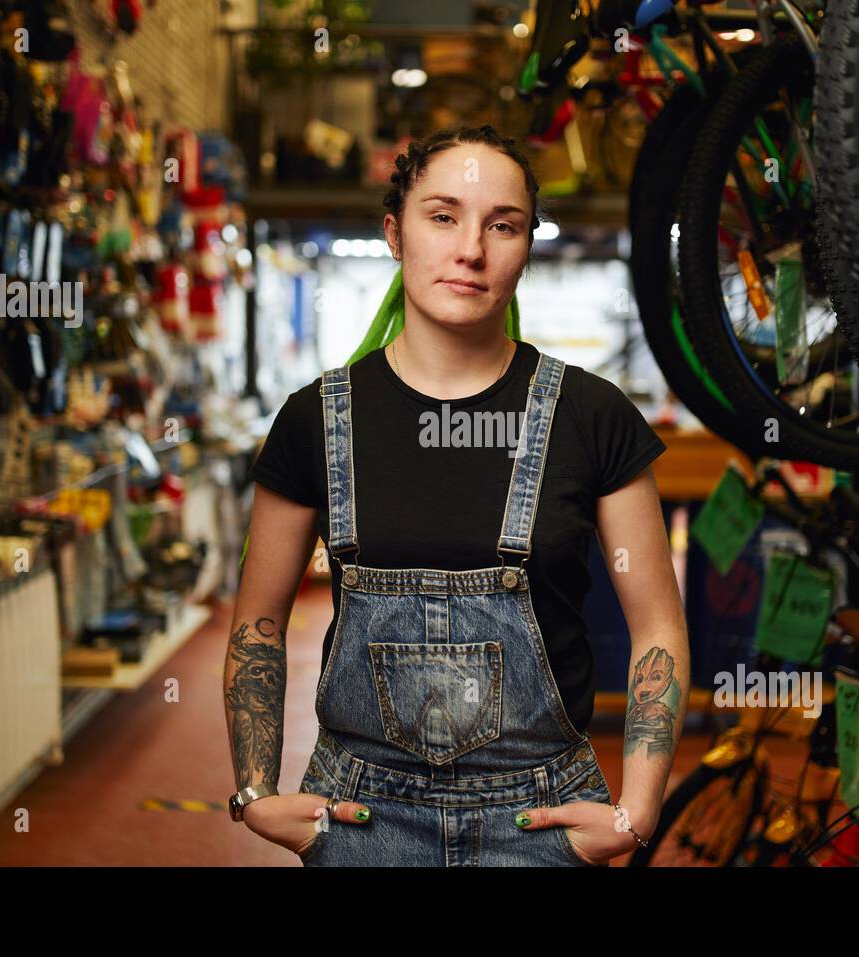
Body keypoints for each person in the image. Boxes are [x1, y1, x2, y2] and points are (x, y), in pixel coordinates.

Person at [223, 124, 690, 866]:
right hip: (360, 821)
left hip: (538, 824)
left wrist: (638, 809)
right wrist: (254, 792)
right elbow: (257, 622)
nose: (471, 248)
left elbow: (658, 627)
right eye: (442, 216)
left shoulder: (593, 418)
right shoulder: (314, 419)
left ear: (527, 245)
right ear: (394, 233)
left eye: (501, 225)